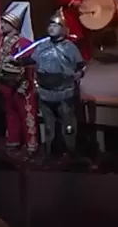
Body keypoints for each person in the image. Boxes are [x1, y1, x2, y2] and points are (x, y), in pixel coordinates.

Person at [31, 11, 85, 158]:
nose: (51, 28)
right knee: (49, 126)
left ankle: (71, 151)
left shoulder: (70, 47)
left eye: (55, 25)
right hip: (45, 91)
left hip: (64, 92)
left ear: (63, 28)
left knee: (68, 124)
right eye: (50, 25)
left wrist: (79, 74)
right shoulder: (42, 46)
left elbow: (81, 66)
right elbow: (32, 60)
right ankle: (50, 152)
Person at [0, 2, 39, 156]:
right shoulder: (0, 41)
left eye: (5, 22)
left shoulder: (23, 43)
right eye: (2, 22)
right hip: (6, 85)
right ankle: (13, 142)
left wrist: (25, 84)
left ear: (14, 25)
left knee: (27, 115)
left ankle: (31, 146)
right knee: (10, 114)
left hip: (21, 85)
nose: (1, 25)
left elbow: (29, 66)